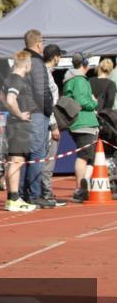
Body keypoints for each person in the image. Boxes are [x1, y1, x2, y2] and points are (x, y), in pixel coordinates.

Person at [20, 29, 54, 207]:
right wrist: (48, 110)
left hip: (24, 111)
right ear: (39, 44)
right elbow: (41, 90)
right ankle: (34, 194)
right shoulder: (37, 62)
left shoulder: (20, 59)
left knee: (24, 155)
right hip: (37, 112)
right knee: (36, 154)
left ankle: (23, 193)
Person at [3, 51, 37, 212]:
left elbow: (1, 97)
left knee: (13, 160)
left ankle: (12, 198)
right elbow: (9, 99)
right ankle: (14, 198)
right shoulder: (17, 80)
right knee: (17, 161)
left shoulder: (9, 78)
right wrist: (19, 114)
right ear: (27, 64)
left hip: (14, 124)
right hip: (19, 125)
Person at [63, 53, 99, 202]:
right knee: (84, 157)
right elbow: (82, 100)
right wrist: (94, 102)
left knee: (88, 157)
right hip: (84, 122)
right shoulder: (79, 80)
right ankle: (80, 188)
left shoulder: (70, 79)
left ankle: (84, 186)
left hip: (78, 122)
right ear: (85, 64)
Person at [41, 44, 66, 207]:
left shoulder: (45, 73)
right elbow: (47, 102)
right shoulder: (46, 75)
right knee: (48, 160)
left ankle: (43, 192)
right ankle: (46, 194)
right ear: (55, 57)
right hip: (47, 123)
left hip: (44, 121)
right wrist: (53, 125)